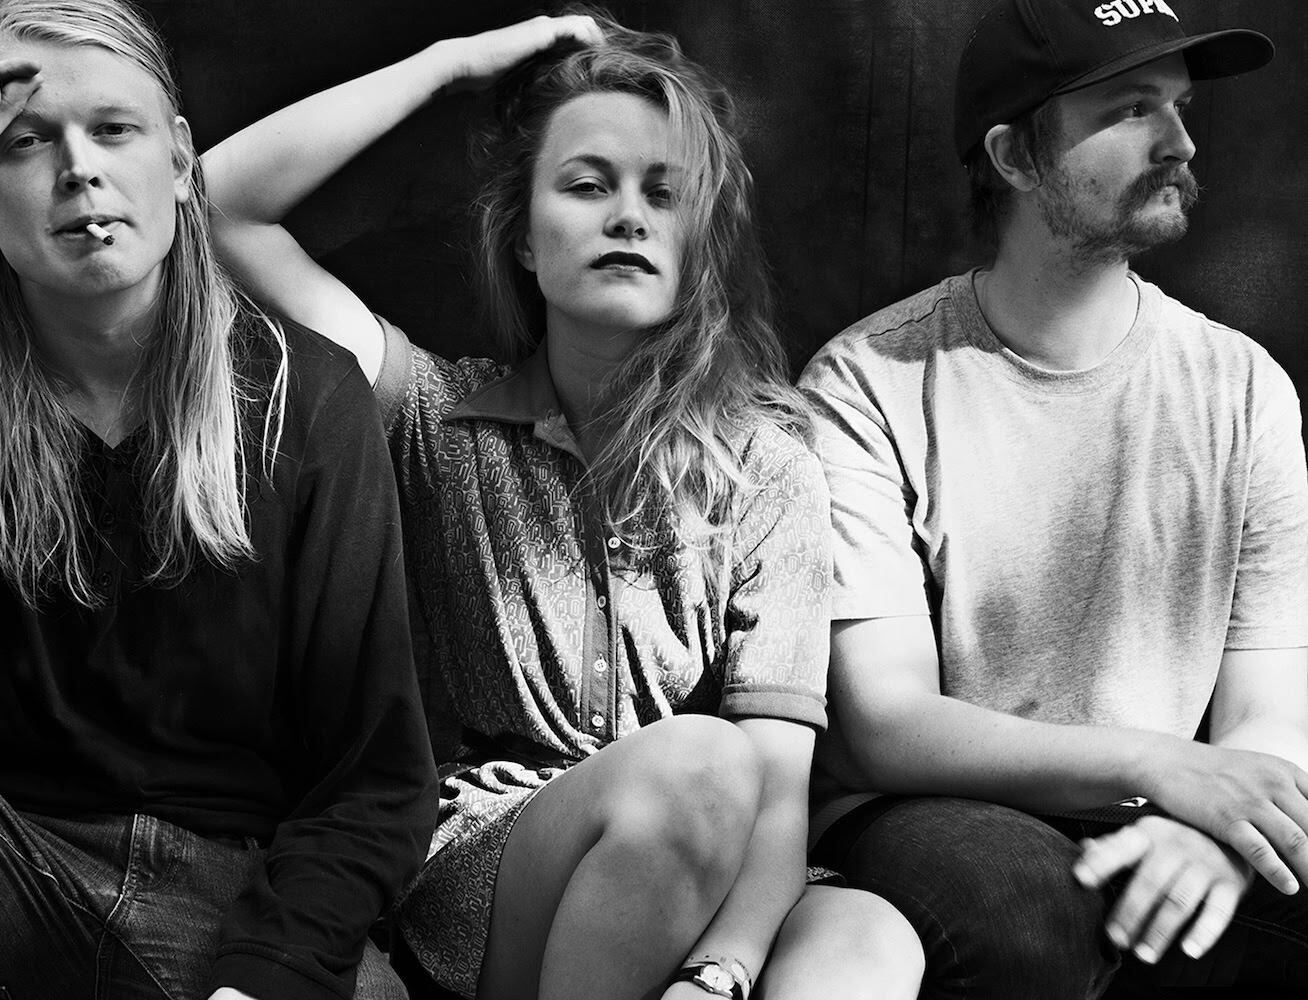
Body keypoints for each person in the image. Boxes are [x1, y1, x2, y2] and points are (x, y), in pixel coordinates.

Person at [203, 12, 924, 1000]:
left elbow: (777, 792)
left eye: (664, 194)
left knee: (870, 937)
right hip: (496, 867)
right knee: (698, 766)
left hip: (715, 854)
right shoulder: (438, 418)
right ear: (525, 241)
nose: (628, 217)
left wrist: (719, 975)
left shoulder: (768, 467)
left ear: (701, 245)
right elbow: (220, 205)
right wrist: (450, 64)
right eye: (587, 186)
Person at [0, 1, 437, 998]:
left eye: (113, 129)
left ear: (180, 161)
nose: (78, 169)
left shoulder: (306, 396)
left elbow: (375, 780)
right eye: (25, 142)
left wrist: (258, 981)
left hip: (229, 902)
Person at [798, 0, 1308, 996]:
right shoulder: (865, 382)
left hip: (1167, 804)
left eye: (1179, 105)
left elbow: (1271, 710)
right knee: (1033, 919)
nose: (1180, 141)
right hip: (934, 802)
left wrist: (1221, 836)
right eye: (1131, 109)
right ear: (1012, 157)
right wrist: (1161, 767)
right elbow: (887, 724)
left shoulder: (1244, 387)